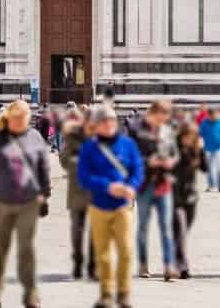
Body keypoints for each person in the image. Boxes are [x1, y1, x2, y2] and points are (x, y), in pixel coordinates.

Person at [0, 99, 51, 308]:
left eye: (23, 118)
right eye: (16, 118)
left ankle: (31, 295)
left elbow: (44, 167)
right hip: (0, 203)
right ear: (8, 118)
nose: (20, 122)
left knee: (27, 249)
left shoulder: (34, 137)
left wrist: (45, 193)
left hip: (28, 202)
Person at [75, 103, 143, 308]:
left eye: (111, 120)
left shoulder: (127, 144)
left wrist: (131, 186)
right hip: (99, 206)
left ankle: (123, 293)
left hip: (123, 205)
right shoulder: (89, 148)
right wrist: (107, 186)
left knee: (126, 251)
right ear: (96, 125)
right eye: (103, 121)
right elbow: (83, 177)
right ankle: (106, 294)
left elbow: (137, 170)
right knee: (103, 254)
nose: (108, 124)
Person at [128, 99, 178, 280]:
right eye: (161, 116)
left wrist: (170, 161)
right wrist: (148, 161)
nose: (162, 121)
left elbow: (173, 153)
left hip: (163, 183)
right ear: (153, 113)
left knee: (166, 227)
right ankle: (143, 264)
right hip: (144, 185)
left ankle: (168, 265)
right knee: (143, 226)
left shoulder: (167, 131)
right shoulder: (136, 129)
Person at [57, 107, 97, 282]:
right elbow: (64, 160)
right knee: (77, 230)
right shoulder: (71, 137)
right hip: (77, 190)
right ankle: (78, 263)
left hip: (97, 191)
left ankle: (93, 266)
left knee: (96, 231)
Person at [169, 119, 206, 276]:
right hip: (173, 197)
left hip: (191, 197)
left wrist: (201, 152)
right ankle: (182, 265)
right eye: (187, 136)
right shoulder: (172, 149)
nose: (189, 139)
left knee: (183, 231)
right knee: (181, 230)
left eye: (193, 136)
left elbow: (206, 168)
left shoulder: (196, 150)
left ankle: (174, 256)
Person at [198, 108, 220, 192]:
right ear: (208, 115)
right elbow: (200, 134)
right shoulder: (204, 123)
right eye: (212, 116)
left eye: (215, 115)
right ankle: (211, 185)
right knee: (209, 168)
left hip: (219, 148)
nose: (214, 117)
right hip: (208, 148)